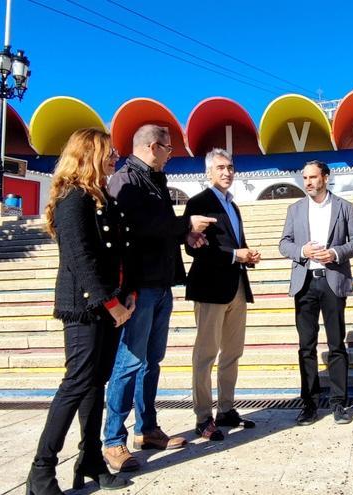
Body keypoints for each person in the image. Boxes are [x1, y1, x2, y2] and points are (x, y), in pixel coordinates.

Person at [103, 125, 216, 471]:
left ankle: (147, 428)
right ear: (153, 147)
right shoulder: (125, 181)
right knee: (130, 361)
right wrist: (186, 225)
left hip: (161, 282)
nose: (171, 154)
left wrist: (186, 238)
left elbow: (160, 228)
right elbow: (139, 228)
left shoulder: (155, 179)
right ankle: (112, 440)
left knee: (152, 360)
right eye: (168, 148)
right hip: (139, 286)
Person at [27, 129, 132, 494]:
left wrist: (125, 294)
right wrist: (110, 302)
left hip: (108, 304)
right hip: (84, 306)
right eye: (109, 152)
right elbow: (81, 258)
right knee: (75, 383)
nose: (115, 157)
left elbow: (117, 251)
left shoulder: (101, 197)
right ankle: (41, 471)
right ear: (90, 154)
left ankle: (90, 459)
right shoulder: (73, 197)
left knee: (95, 383)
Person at [279, 160, 353, 426]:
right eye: (304, 178)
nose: (308, 183)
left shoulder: (344, 207)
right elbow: (284, 243)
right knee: (307, 346)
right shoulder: (294, 209)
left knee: (337, 345)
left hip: (332, 281)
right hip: (305, 282)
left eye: (313, 177)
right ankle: (309, 404)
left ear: (325, 178)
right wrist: (301, 252)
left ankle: (340, 403)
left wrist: (336, 253)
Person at [184, 148, 260, 441]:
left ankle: (226, 410)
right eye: (220, 168)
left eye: (230, 167)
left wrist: (247, 255)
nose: (227, 172)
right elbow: (193, 247)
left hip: (236, 287)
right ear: (208, 172)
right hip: (210, 288)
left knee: (233, 352)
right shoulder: (198, 203)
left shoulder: (234, 206)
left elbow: (235, 243)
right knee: (205, 356)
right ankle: (203, 418)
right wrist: (233, 256)